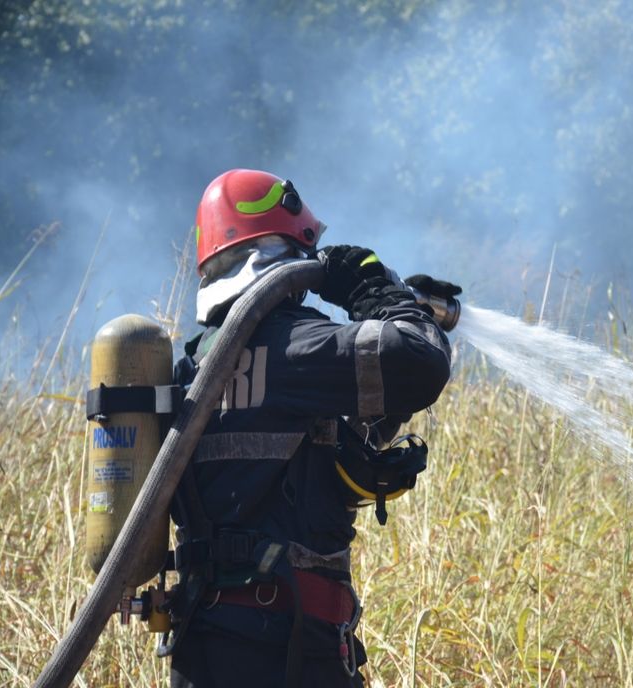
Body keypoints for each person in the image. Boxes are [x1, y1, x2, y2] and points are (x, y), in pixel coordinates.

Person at [167, 168, 456, 687]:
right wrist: (377, 290)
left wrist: (404, 304)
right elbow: (419, 363)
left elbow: (318, 446)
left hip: (202, 646)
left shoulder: (190, 368)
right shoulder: (297, 347)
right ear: (288, 250)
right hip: (288, 645)